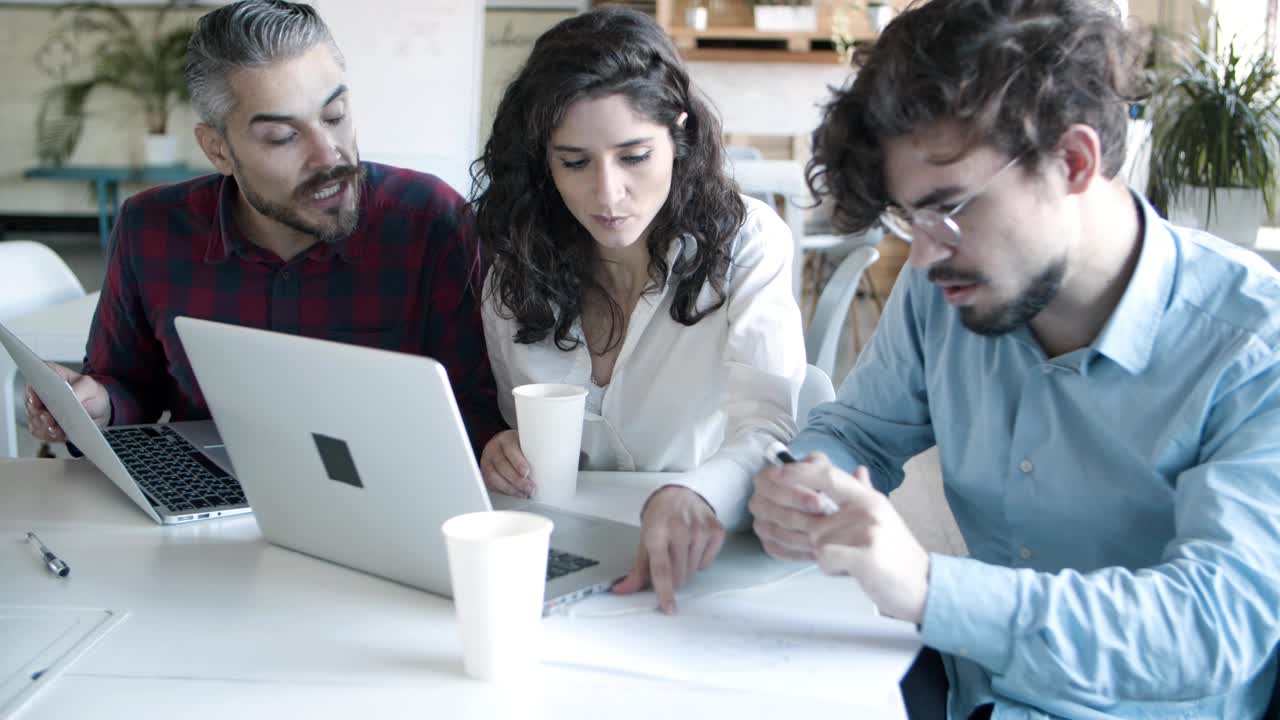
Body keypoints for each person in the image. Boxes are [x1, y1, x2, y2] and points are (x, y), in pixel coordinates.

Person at [748, 0, 1280, 718]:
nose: (925, 253)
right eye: (910, 218)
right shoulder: (943, 283)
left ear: (1073, 160)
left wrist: (933, 589)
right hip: (971, 695)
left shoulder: (1255, 341)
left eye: (949, 207)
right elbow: (858, 433)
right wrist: (807, 481)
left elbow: (1214, 622)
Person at [24, 0, 503, 456]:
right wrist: (97, 406)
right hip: (207, 510)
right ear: (218, 151)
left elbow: (481, 411)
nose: (329, 155)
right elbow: (128, 384)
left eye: (334, 116)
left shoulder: (432, 223)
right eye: (283, 137)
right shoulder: (149, 228)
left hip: (393, 502)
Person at [472, 8, 805, 614]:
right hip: (566, 562)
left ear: (678, 133)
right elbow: (527, 444)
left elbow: (769, 427)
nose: (607, 194)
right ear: (543, 161)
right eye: (574, 162)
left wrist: (698, 495)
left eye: (633, 156)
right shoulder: (515, 268)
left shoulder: (748, 243)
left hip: (707, 560)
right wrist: (502, 450)